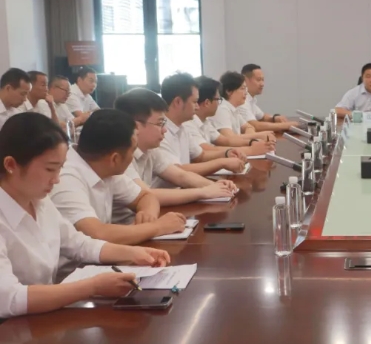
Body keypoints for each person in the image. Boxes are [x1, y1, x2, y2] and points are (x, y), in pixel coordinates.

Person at [0, 113, 171, 319]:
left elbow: (79, 244)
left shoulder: (38, 201)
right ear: (11, 165)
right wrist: (93, 286)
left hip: (41, 316)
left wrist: (134, 253)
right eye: (50, 169)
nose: (56, 179)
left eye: (60, 168)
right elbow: (10, 299)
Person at [49, 109, 187, 245]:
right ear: (115, 159)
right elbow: (96, 234)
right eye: (133, 150)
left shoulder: (104, 166)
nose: (133, 157)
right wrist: (158, 227)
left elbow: (146, 196)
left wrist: (147, 215)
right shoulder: (65, 178)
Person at [114, 88, 237, 205]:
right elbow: (145, 195)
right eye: (160, 123)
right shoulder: (119, 156)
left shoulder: (151, 151)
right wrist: (203, 192)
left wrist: (214, 186)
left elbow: (181, 176)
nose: (165, 130)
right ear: (136, 126)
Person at [157, 73, 246, 178]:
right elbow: (178, 171)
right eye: (194, 102)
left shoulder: (182, 127)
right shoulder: (160, 131)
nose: (197, 107)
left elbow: (200, 155)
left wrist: (227, 153)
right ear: (178, 102)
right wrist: (222, 162)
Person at [186, 76, 274, 156]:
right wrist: (251, 150)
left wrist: (252, 142)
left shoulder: (205, 121)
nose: (246, 93)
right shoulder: (189, 123)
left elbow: (225, 140)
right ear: (207, 103)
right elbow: (206, 150)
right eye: (218, 99)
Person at [210, 71, 276, 142]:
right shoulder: (222, 109)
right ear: (228, 91)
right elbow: (229, 138)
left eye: (245, 89)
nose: (246, 93)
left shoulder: (234, 108)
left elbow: (249, 127)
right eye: (242, 88)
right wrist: (257, 136)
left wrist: (251, 137)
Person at [238, 64, 298, 132]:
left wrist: (275, 118)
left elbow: (262, 117)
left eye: (262, 80)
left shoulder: (250, 100)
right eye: (258, 80)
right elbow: (255, 126)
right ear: (245, 80)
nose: (262, 84)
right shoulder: (241, 101)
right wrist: (287, 125)